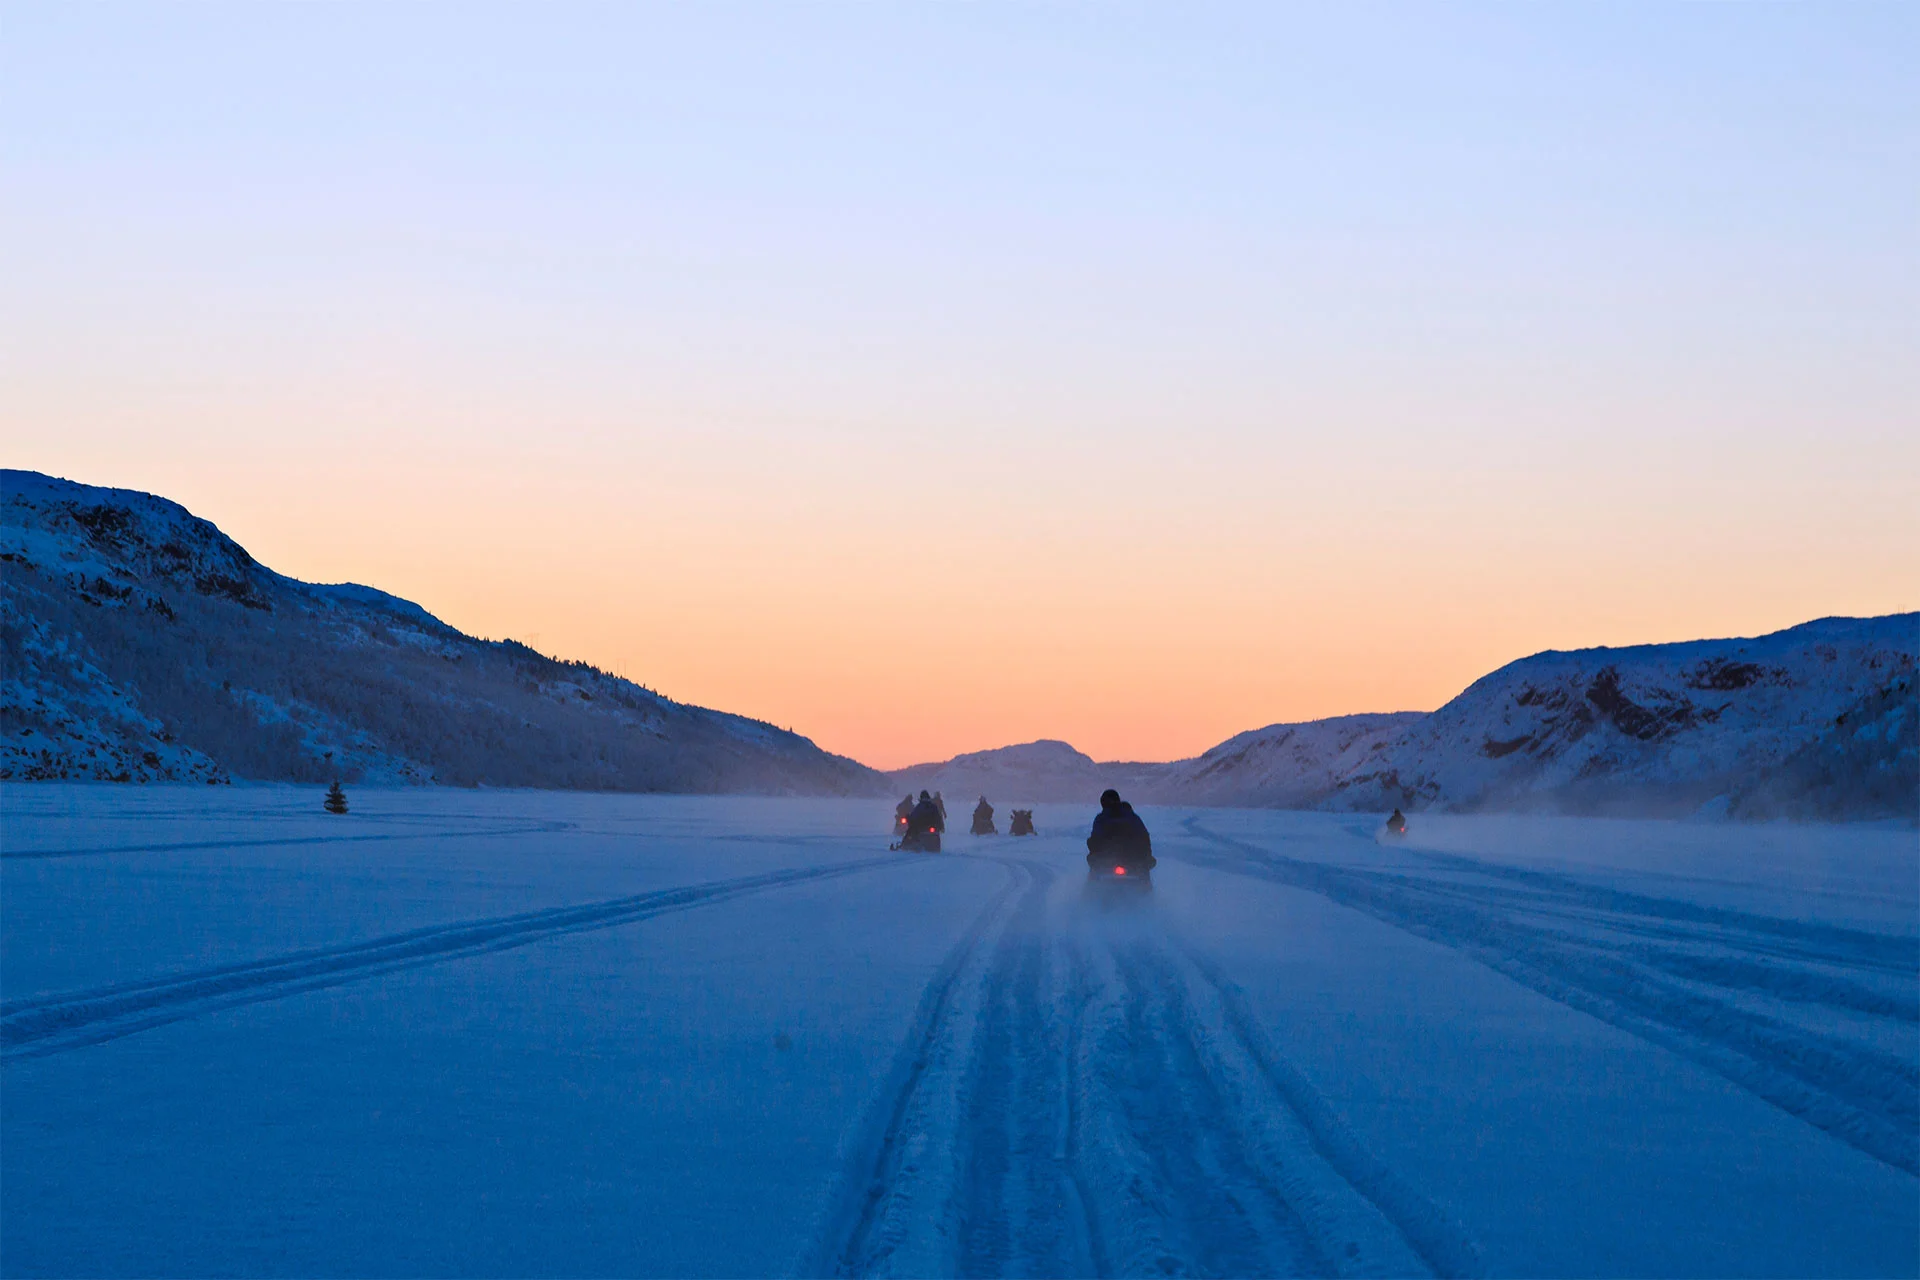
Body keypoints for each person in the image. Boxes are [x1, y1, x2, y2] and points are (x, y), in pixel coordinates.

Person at [1086, 788, 1154, 871]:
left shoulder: (1101, 818)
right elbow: (1144, 837)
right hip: (1134, 859)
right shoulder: (1132, 817)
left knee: (1094, 866)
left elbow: (1095, 838)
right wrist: (1147, 855)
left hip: (1108, 860)